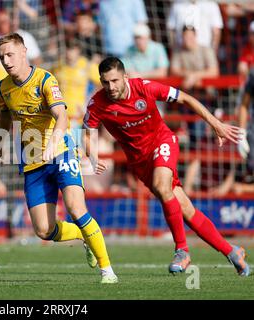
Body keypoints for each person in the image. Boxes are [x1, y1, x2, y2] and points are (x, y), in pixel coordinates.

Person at [82, 56, 250, 276]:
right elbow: (86, 135)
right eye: (105, 82)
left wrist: (216, 124)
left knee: (163, 186)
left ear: (125, 77)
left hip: (162, 142)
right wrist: (92, 156)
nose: (110, 87)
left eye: (114, 80)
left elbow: (186, 99)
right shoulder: (97, 103)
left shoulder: (145, 88)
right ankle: (232, 251)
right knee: (186, 209)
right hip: (140, 162)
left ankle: (182, 250)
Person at [0, 33, 117, 284]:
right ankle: (84, 237)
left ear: (24, 51)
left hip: (61, 151)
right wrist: (1, 141)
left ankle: (108, 272)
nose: (6, 61)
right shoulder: (3, 88)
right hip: (32, 160)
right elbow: (5, 115)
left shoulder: (45, 80)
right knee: (43, 230)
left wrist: (52, 143)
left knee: (75, 208)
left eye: (10, 54)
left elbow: (62, 116)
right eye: (1, 57)